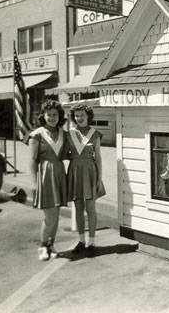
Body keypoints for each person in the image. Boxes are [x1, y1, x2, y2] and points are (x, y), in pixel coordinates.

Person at [29, 100, 69, 261]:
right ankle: (42, 246)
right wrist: (34, 183)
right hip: (45, 175)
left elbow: (68, 153)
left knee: (57, 214)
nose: (52, 117)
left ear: (59, 116)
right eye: (49, 115)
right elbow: (32, 160)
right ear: (43, 116)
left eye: (55, 114)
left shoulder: (63, 133)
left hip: (59, 173)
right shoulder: (37, 134)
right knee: (50, 216)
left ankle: (51, 245)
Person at [67, 104, 104, 257]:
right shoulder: (70, 133)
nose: (79, 118)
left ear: (88, 116)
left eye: (82, 115)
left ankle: (92, 241)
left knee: (90, 208)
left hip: (90, 171)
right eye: (76, 115)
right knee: (78, 207)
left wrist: (99, 178)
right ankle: (81, 240)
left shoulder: (94, 134)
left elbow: (99, 157)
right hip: (75, 171)